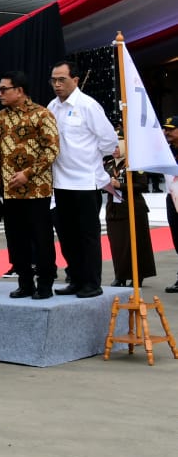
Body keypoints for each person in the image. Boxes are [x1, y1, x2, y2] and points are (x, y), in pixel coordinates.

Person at [47, 60, 119, 298]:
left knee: (87, 235)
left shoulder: (88, 106)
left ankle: (92, 282)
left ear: (75, 80)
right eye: (54, 80)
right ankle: (76, 279)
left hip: (86, 181)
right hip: (60, 182)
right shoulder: (52, 107)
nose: (57, 85)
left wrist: (90, 157)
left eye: (62, 80)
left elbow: (109, 140)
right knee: (67, 236)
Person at [0, 71, 60, 299]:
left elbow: (52, 150)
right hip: (10, 191)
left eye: (4, 89)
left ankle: (45, 283)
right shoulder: (0, 116)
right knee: (16, 239)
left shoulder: (42, 114)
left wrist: (28, 174)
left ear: (19, 91)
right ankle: (24, 283)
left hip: (37, 189)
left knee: (41, 238)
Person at [104, 141, 156, 287]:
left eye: (117, 146)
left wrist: (121, 185)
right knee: (117, 244)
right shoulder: (108, 164)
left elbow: (142, 185)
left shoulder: (133, 164)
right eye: (112, 146)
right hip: (114, 210)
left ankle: (137, 276)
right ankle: (120, 276)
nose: (114, 150)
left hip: (133, 208)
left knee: (136, 243)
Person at [164, 117, 178, 293]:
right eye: (165, 129)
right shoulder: (166, 151)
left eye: (171, 129)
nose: (166, 132)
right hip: (172, 197)